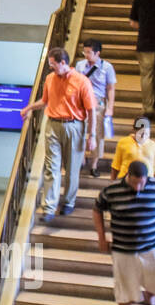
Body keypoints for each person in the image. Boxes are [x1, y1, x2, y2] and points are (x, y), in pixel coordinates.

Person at [93, 160, 155, 305]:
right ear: (127, 176)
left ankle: (150, 300)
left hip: (153, 245)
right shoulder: (112, 190)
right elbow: (97, 209)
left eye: (142, 183)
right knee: (125, 286)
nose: (138, 188)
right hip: (124, 247)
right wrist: (101, 237)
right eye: (135, 183)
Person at [20, 47, 97, 219]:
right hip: (52, 124)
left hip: (74, 126)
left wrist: (91, 136)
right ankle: (49, 207)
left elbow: (91, 110)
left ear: (63, 63)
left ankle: (68, 202)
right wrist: (29, 107)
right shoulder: (49, 78)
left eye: (53, 64)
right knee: (51, 167)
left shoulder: (81, 81)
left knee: (71, 169)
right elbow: (45, 100)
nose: (51, 67)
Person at [75, 38, 117, 176]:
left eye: (89, 52)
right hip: (81, 103)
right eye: (85, 52)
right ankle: (80, 161)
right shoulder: (80, 65)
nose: (86, 55)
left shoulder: (107, 67)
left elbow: (111, 88)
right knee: (79, 133)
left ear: (97, 53)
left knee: (98, 135)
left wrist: (110, 107)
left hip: (98, 103)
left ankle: (94, 165)